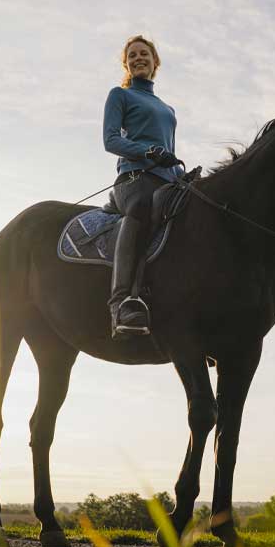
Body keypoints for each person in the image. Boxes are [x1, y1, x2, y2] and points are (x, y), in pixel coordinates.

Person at [103, 35, 184, 338]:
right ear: (126, 63)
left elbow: (168, 147)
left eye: (144, 54)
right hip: (133, 180)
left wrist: (179, 173)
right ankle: (122, 302)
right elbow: (110, 140)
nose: (139, 58)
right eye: (133, 55)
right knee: (141, 206)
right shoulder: (120, 95)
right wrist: (147, 152)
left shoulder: (168, 108)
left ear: (155, 62)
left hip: (167, 181)